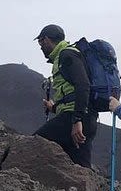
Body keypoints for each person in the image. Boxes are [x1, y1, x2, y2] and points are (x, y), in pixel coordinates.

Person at [34, 24, 97, 169]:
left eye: (40, 42)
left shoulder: (66, 55)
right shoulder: (66, 55)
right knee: (80, 168)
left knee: (34, 143)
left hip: (75, 119)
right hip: (88, 118)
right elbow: (73, 92)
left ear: (47, 39)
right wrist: (54, 107)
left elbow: (82, 84)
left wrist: (77, 120)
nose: (40, 46)